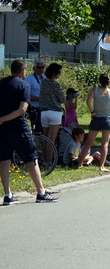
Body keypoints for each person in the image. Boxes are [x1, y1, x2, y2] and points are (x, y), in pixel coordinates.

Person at [0, 59, 58, 204]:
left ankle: (7, 194)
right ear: (23, 71)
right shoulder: (23, 85)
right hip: (18, 128)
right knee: (31, 159)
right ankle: (41, 192)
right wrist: (6, 118)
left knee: (4, 160)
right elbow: (22, 110)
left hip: (2, 129)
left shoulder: (1, 83)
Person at [79, 74, 110, 171]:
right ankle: (101, 166)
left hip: (96, 118)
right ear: (109, 82)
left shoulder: (95, 90)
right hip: (107, 118)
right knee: (105, 143)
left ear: (99, 81)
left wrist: (92, 111)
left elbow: (88, 101)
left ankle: (79, 164)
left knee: (89, 143)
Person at [39, 62, 66, 163]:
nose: (60, 74)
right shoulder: (55, 84)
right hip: (55, 112)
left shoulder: (43, 82)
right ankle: (49, 162)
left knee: (45, 139)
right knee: (51, 140)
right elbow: (62, 99)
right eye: (59, 72)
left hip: (44, 113)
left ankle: (45, 159)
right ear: (55, 73)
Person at [24, 58, 45, 133]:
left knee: (44, 128)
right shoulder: (29, 79)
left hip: (44, 107)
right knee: (37, 128)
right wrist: (39, 99)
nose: (41, 69)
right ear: (34, 68)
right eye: (39, 67)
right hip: (34, 108)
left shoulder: (45, 78)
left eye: (42, 67)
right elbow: (25, 95)